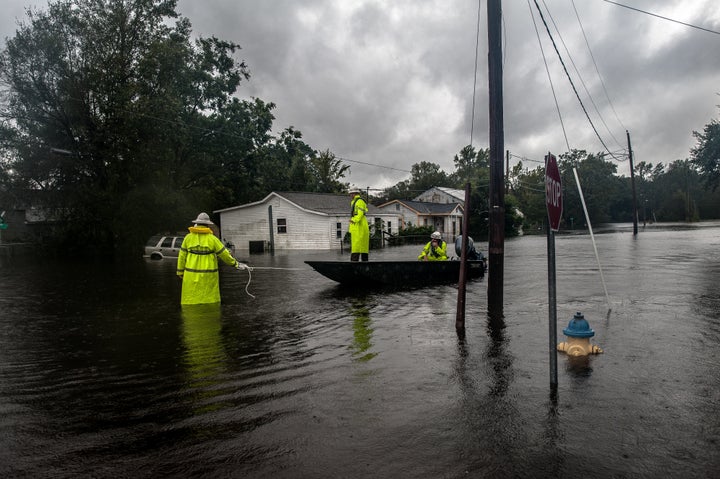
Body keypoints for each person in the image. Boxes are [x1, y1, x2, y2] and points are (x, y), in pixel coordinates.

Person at [177, 212, 247, 305]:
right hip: (208, 277)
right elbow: (225, 255)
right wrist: (236, 264)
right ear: (208, 225)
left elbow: (182, 256)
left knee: (190, 301)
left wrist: (180, 272)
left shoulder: (187, 238)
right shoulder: (212, 239)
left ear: (197, 223)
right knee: (209, 302)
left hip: (190, 276)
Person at [349, 188, 370, 262]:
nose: (350, 195)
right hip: (356, 226)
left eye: (351, 194)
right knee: (355, 245)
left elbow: (360, 214)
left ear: (354, 194)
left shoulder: (360, 201)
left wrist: (354, 220)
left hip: (360, 225)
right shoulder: (353, 202)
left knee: (359, 245)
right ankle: (356, 262)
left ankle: (358, 263)